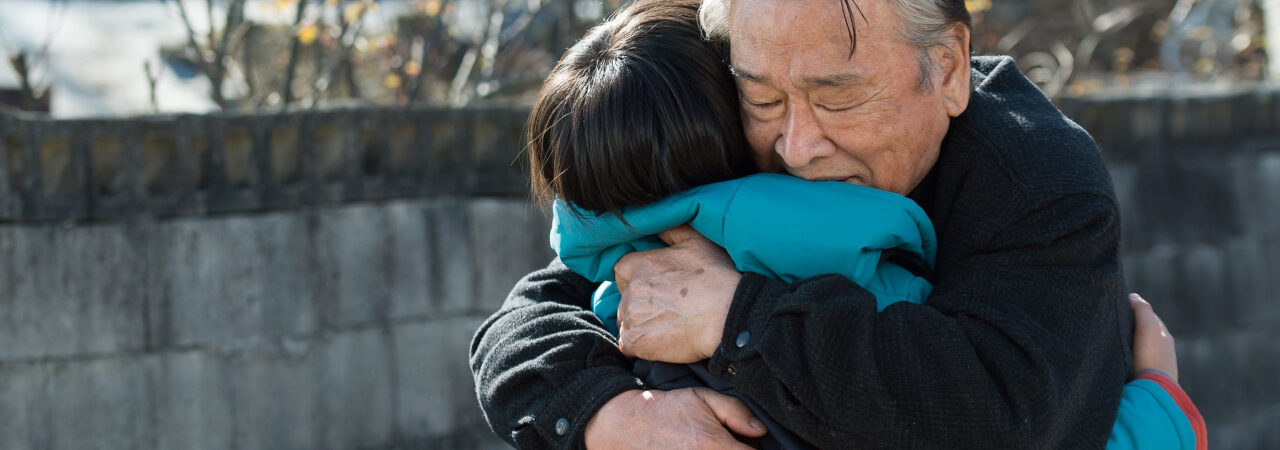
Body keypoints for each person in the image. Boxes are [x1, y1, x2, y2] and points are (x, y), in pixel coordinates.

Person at [471, 0, 1205, 448]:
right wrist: (609, 415)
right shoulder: (729, 111)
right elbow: (529, 316)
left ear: (948, 69)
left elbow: (998, 419)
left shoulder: (1036, 180)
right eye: (763, 99)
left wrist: (736, 318)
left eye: (839, 99)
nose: (797, 146)